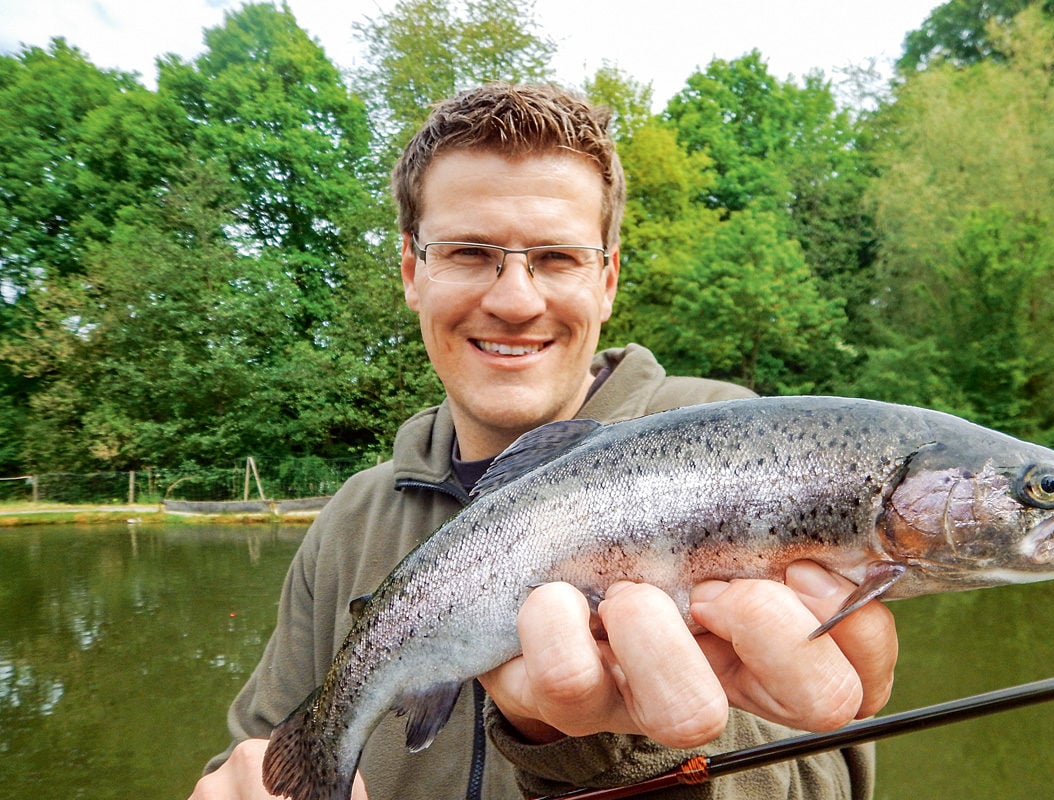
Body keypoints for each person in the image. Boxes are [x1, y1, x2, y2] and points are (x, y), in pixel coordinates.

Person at [189, 83, 897, 800]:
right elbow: (261, 748)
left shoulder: (744, 451)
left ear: (608, 279)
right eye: (469, 252)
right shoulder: (353, 517)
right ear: (412, 271)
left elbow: (825, 779)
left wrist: (620, 748)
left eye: (557, 258)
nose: (516, 300)